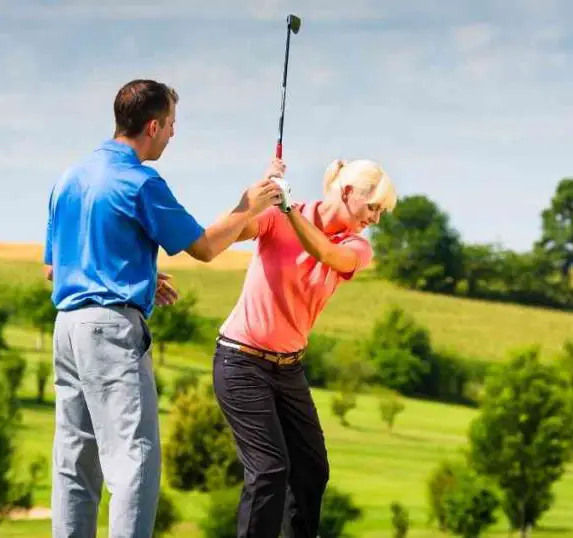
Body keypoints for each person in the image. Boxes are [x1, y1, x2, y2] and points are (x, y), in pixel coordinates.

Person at [42, 78, 285, 538]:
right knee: (134, 461)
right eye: (171, 124)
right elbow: (205, 247)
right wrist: (247, 206)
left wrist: (145, 275)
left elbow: (55, 268)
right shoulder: (140, 182)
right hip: (111, 333)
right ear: (152, 125)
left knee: (75, 462)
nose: (173, 134)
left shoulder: (69, 177)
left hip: (67, 329)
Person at [212, 157, 397, 538]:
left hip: (288, 368)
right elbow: (228, 231)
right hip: (241, 361)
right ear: (347, 193)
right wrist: (258, 198)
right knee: (268, 471)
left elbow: (325, 254)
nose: (376, 218)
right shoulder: (276, 218)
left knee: (312, 470)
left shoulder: (356, 246)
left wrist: (288, 211)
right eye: (374, 207)